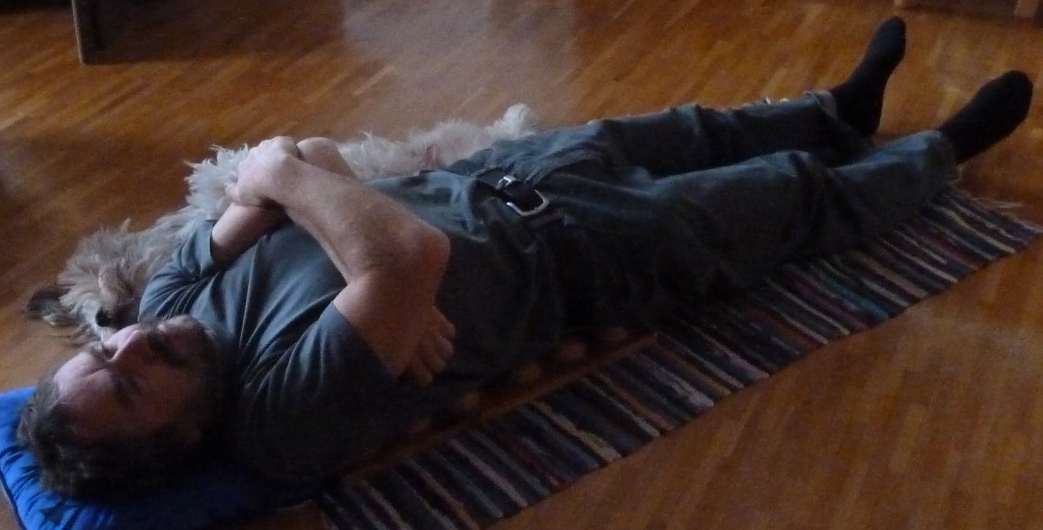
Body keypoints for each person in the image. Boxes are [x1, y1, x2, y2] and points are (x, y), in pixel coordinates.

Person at [17, 17, 1034, 500]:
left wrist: (331, 217)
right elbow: (381, 234)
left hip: (505, 176)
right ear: (185, 436)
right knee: (786, 199)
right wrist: (333, 217)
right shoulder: (279, 419)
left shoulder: (175, 296)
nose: (132, 341)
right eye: (132, 383)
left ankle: (835, 110)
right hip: (587, 258)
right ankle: (938, 155)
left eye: (105, 351)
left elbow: (303, 155)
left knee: (696, 126)